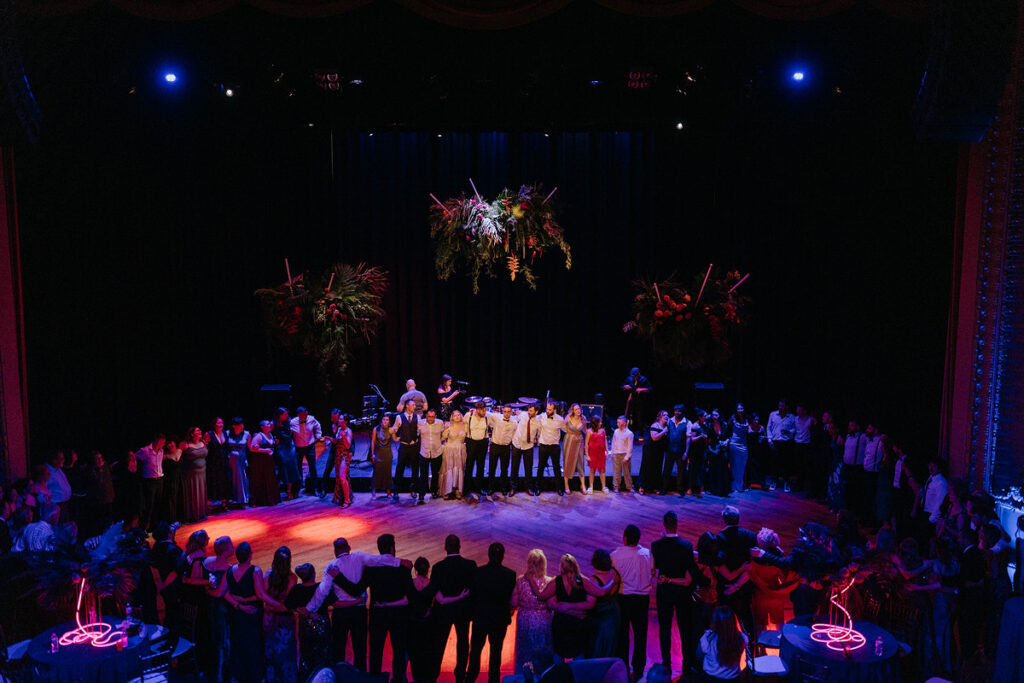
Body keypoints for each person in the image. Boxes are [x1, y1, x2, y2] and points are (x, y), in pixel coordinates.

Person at [304, 537, 406, 671]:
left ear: (335, 551)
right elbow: (379, 559)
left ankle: (338, 677)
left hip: (341, 614)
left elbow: (322, 591)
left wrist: (309, 608)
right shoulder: (359, 557)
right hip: (359, 612)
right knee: (360, 649)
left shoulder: (331, 566)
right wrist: (400, 562)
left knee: (338, 649)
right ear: (349, 547)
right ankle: (361, 677)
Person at [218, 542, 287, 683]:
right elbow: (261, 594)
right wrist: (278, 605)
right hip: (252, 614)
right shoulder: (255, 571)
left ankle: (239, 676)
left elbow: (223, 593)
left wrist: (239, 603)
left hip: (236, 614)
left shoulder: (229, 571)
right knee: (254, 645)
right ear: (250, 555)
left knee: (238, 643)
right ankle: (255, 677)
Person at [652, 511, 704, 676]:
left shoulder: (656, 545)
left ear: (664, 525)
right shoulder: (686, 545)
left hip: (664, 591)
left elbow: (657, 567)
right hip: (682, 591)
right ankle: (687, 664)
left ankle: (666, 664)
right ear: (677, 524)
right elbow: (691, 569)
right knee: (684, 628)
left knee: (664, 629)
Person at [364, 534, 415, 683]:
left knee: (376, 649)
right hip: (398, 615)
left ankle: (375, 678)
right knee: (399, 649)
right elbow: (411, 594)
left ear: (379, 549)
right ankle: (398, 679)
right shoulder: (403, 569)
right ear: (392, 548)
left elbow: (357, 588)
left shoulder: (371, 569)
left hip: (378, 614)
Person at [428, 534, 477, 683]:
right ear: (459, 546)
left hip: (443, 613)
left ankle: (433, 675)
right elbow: (474, 590)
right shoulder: (470, 565)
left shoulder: (438, 567)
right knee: (463, 643)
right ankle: (460, 676)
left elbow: (434, 592)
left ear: (445, 548)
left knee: (439, 644)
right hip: (463, 611)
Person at [467, 542, 517, 683]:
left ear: (488, 555)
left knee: (475, 652)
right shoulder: (510, 575)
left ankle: (470, 679)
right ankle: (493, 680)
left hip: (480, 618)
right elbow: (509, 598)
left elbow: (472, 596)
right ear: (502, 556)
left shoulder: (478, 572)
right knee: (496, 653)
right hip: (499, 619)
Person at [611, 524, 652, 679]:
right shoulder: (648, 554)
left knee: (623, 635)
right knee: (641, 635)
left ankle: (623, 669)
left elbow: (612, 578)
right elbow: (652, 572)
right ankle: (639, 669)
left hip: (624, 597)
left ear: (625, 538)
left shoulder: (616, 555)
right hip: (642, 598)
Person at [512, 549, 555, 677]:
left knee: (525, 651)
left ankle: (523, 676)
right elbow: (552, 604)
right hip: (543, 620)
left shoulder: (520, 581)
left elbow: (514, 602)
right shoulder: (549, 582)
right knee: (542, 651)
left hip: (525, 618)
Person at [748, 528, 798, 637]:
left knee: (760, 624)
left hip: (760, 594)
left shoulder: (755, 558)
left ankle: (760, 648)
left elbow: (751, 575)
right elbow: (785, 575)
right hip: (776, 594)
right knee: (779, 622)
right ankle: (782, 644)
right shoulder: (779, 557)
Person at [288, 563, 332, 680]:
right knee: (324, 654)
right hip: (322, 627)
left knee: (307, 656)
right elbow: (335, 602)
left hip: (305, 629)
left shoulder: (297, 589)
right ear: (314, 574)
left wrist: (300, 610)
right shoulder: (321, 588)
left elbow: (288, 604)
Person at [718, 506, 756, 634]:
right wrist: (738, 585)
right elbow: (752, 566)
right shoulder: (750, 536)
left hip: (726, 587)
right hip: (744, 586)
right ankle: (752, 649)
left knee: (725, 624)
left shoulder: (719, 538)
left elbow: (720, 565)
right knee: (747, 621)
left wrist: (733, 585)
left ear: (723, 520)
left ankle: (726, 650)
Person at [263, 546, 299, 683]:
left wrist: (270, 609)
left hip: (270, 620)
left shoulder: (268, 575)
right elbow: (286, 605)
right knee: (285, 654)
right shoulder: (292, 578)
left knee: (271, 653)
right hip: (284, 622)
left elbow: (263, 596)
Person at [180, 530, 212, 673]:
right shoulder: (198, 558)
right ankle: (201, 662)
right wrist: (210, 581)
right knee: (200, 629)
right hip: (197, 600)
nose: (209, 539)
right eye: (207, 538)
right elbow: (194, 580)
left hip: (188, 598)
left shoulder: (187, 554)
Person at [205, 536, 235, 683]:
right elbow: (219, 593)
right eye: (231, 546)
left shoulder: (208, 563)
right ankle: (221, 677)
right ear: (225, 551)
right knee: (223, 643)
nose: (233, 547)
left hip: (210, 607)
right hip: (222, 610)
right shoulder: (228, 570)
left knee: (215, 641)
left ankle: (216, 674)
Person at [582, 549, 621, 658]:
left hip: (599, 621)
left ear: (594, 562)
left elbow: (590, 604)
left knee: (597, 650)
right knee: (610, 648)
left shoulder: (593, 581)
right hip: (613, 616)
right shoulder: (614, 573)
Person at [699, 606, 747, 681]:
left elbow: (698, 655)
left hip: (711, 679)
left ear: (715, 623)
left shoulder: (707, 639)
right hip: (733, 679)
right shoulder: (743, 638)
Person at [408, 557, 435, 683]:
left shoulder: (411, 583)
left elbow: (406, 601)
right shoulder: (431, 583)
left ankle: (417, 678)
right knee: (428, 650)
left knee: (414, 652)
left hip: (413, 621)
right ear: (428, 569)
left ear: (415, 569)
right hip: (428, 622)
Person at [135, 434, 166, 531]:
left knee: (158, 504)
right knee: (149, 505)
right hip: (150, 481)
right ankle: (143, 528)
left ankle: (154, 527)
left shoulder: (161, 451)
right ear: (157, 441)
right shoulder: (145, 451)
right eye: (162, 442)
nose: (163, 444)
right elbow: (134, 457)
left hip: (160, 480)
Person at [290, 407, 323, 496]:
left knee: (312, 467)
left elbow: (317, 426)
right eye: (303, 415)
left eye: (306, 414)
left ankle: (314, 489)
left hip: (310, 446)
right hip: (298, 447)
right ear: (298, 415)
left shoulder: (311, 419)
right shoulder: (293, 422)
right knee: (298, 468)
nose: (305, 416)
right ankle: (298, 488)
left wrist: (318, 435)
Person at [488, 404, 517, 499]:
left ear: (512, 412)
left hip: (506, 448)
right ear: (502, 411)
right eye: (505, 411)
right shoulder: (497, 417)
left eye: (509, 411)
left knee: (504, 469)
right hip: (495, 446)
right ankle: (490, 487)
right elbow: (486, 413)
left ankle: (503, 487)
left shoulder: (515, 422)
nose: (507, 413)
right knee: (492, 468)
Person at [248, 420, 280, 507]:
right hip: (260, 462)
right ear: (262, 427)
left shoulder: (270, 435)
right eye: (267, 424)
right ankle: (260, 501)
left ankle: (270, 500)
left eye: (269, 424)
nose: (270, 425)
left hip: (269, 461)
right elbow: (251, 448)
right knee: (261, 479)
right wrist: (264, 450)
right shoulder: (259, 436)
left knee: (270, 479)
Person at [536, 403, 565, 495]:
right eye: (547, 409)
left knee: (556, 468)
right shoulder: (541, 417)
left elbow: (566, 429)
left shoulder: (560, 419)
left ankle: (559, 488)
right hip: (543, 445)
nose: (547, 411)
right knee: (540, 468)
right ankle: (538, 488)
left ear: (554, 410)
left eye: (550, 410)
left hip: (554, 446)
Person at [394, 400, 421, 499]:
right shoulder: (399, 417)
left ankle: (413, 489)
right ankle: (396, 490)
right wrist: (395, 438)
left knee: (415, 468)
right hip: (404, 446)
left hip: (414, 446)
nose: (415, 406)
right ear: (407, 406)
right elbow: (394, 429)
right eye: (413, 405)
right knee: (400, 468)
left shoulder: (417, 417)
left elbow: (419, 430)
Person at [181, 426, 209, 523]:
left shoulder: (203, 443)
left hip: (202, 474)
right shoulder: (186, 445)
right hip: (191, 475)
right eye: (197, 430)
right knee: (193, 494)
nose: (200, 431)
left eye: (200, 430)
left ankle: (201, 514)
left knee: (201, 493)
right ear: (192, 434)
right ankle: (193, 516)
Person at [418, 409, 446, 503]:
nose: (431, 419)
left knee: (435, 474)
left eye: (433, 417)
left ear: (435, 416)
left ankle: (434, 491)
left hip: (436, 452)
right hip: (424, 452)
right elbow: (416, 434)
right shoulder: (420, 423)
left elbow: (443, 434)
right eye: (429, 416)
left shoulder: (440, 423)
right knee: (423, 474)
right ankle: (421, 494)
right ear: (426, 416)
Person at [511, 405, 540, 496]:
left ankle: (528, 487)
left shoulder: (538, 421)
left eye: (531, 411)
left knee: (528, 469)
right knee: (514, 467)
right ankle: (513, 487)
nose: (529, 412)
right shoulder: (523, 415)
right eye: (529, 410)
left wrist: (537, 441)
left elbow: (539, 433)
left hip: (528, 446)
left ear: (536, 412)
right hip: (517, 444)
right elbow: (515, 418)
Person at [205, 417, 232, 510]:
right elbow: (206, 447)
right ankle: (208, 505)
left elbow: (227, 447)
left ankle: (225, 503)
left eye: (222, 423)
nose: (220, 425)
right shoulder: (209, 434)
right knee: (213, 482)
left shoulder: (225, 433)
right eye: (218, 423)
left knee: (225, 481)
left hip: (224, 462)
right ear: (214, 424)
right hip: (213, 462)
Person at [273, 408, 300, 500]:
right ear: (279, 415)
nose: (286, 415)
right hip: (281, 447)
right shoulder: (274, 424)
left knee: (292, 468)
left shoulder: (289, 422)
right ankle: (281, 491)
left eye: (287, 413)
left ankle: (291, 491)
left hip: (289, 446)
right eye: (284, 414)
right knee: (283, 469)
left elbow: (290, 434)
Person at [440, 411, 468, 500]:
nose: (457, 417)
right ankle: (447, 490)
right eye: (455, 415)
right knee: (449, 469)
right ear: (452, 417)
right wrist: (446, 429)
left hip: (460, 449)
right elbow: (443, 438)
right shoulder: (448, 425)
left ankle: (458, 490)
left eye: (459, 415)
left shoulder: (465, 425)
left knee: (459, 469)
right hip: (450, 449)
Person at [639, 410, 668, 495]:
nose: (666, 417)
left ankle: (654, 487)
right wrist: (664, 431)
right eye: (664, 415)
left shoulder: (666, 426)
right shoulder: (655, 425)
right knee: (646, 467)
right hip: (650, 450)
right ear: (659, 417)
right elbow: (654, 437)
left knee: (657, 468)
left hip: (659, 451)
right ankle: (642, 486)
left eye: (667, 415)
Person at [561, 404, 588, 494]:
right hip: (569, 441)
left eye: (579, 409)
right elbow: (563, 427)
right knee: (568, 461)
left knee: (580, 462)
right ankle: (566, 485)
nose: (578, 411)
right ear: (572, 410)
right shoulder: (568, 417)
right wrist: (570, 433)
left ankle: (583, 486)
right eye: (576, 409)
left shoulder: (583, 418)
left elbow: (585, 431)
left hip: (579, 441)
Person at [664, 405, 689, 495]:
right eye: (675, 411)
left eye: (679, 411)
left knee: (681, 471)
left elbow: (688, 438)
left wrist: (686, 452)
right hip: (670, 450)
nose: (677, 413)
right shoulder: (670, 421)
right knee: (667, 470)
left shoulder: (687, 422)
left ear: (683, 412)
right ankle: (664, 488)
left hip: (681, 451)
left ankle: (680, 489)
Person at [225, 417, 250, 506]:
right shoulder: (227, 434)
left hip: (241, 459)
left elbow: (250, 447)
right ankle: (233, 499)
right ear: (234, 426)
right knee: (232, 478)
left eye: (242, 424)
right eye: (239, 425)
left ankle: (243, 499)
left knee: (242, 478)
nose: (242, 426)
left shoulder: (246, 434)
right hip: (231, 460)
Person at [370, 414, 396, 500]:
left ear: (389, 422)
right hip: (378, 453)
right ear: (381, 421)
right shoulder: (376, 429)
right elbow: (373, 442)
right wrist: (372, 454)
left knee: (387, 473)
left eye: (387, 420)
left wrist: (404, 437)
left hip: (387, 453)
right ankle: (374, 491)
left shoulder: (391, 430)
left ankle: (388, 492)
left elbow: (395, 439)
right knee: (377, 472)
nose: (385, 421)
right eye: (384, 419)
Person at [331, 414, 354, 508]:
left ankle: (347, 500)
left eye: (341, 419)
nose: (339, 420)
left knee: (342, 477)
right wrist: (329, 440)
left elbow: (348, 446)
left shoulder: (348, 431)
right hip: (338, 456)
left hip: (344, 456)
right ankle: (341, 497)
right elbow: (337, 441)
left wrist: (344, 437)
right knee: (340, 477)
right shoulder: (339, 429)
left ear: (345, 421)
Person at [706, 410, 730, 497]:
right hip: (713, 449)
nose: (714, 417)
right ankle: (712, 489)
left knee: (722, 469)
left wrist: (726, 442)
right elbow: (708, 438)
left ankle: (722, 490)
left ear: (719, 415)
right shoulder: (709, 425)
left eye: (716, 415)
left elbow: (728, 436)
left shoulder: (724, 424)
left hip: (722, 448)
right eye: (713, 415)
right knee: (713, 469)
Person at [727, 405, 749, 493]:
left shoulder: (747, 419)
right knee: (734, 466)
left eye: (741, 408)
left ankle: (739, 486)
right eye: (738, 409)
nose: (740, 410)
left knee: (742, 466)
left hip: (744, 444)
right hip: (734, 443)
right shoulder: (733, 418)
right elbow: (727, 429)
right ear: (736, 410)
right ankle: (733, 487)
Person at [793, 403, 815, 492]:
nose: (798, 412)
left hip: (806, 444)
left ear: (805, 411)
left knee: (806, 465)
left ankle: (806, 485)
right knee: (798, 465)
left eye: (800, 410)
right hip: (798, 443)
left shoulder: (810, 419)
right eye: (797, 410)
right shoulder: (795, 419)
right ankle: (799, 484)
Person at [585, 414, 609, 493]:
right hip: (592, 454)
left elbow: (605, 441)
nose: (601, 423)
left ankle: (603, 487)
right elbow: (586, 444)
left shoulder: (603, 430)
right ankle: (591, 487)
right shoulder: (589, 431)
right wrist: (587, 455)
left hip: (601, 453)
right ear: (596, 423)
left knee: (602, 470)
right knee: (592, 470)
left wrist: (607, 451)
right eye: (599, 422)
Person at [687, 411, 708, 496]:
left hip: (702, 450)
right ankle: (690, 488)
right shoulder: (695, 426)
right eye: (705, 416)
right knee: (692, 470)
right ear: (700, 417)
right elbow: (692, 439)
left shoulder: (705, 425)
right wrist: (701, 436)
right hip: (695, 451)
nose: (706, 417)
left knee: (702, 469)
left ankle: (701, 488)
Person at [162, 437, 183, 523]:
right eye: (167, 444)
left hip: (181, 479)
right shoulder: (165, 456)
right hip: (171, 480)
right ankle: (172, 519)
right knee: (171, 499)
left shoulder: (180, 451)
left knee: (180, 498)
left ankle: (180, 518)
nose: (170, 445)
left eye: (171, 443)